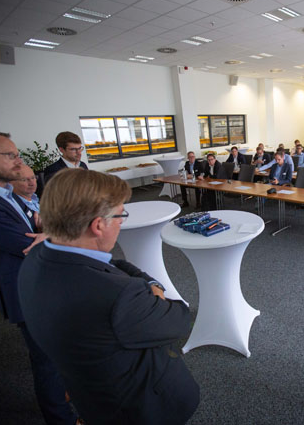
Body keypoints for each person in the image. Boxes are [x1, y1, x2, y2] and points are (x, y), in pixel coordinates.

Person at [18, 169, 200, 425]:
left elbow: (111, 263)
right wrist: (156, 290)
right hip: (140, 409)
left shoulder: (35, 258)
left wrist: (150, 282)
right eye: (120, 215)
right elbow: (181, 319)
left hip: (91, 397)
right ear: (98, 225)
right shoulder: (120, 296)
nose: (122, 221)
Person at [0, 132, 79, 425]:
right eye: (10, 155)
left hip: (41, 283)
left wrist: (45, 229)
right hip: (27, 293)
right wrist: (55, 232)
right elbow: (30, 244)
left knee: (58, 351)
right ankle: (61, 419)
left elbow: (38, 224)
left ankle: (65, 392)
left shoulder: (3, 192)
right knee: (46, 361)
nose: (18, 161)